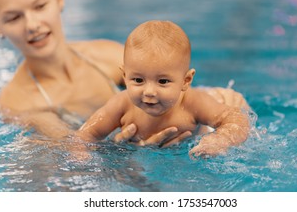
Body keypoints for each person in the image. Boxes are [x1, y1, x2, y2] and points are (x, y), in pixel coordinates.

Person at [0, 0, 248, 146]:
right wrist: (125, 151)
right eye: (13, 17)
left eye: (40, 6)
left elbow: (171, 79)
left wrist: (216, 99)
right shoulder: (18, 100)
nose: (32, 24)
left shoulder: (105, 55)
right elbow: (74, 147)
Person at [75, 20, 250, 157]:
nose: (149, 91)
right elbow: (84, 136)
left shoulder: (193, 102)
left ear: (186, 81)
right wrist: (80, 154)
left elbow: (236, 119)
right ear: (124, 76)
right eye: (138, 80)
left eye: (163, 82)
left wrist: (220, 140)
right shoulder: (121, 104)